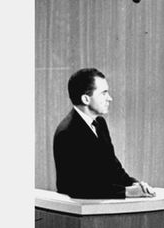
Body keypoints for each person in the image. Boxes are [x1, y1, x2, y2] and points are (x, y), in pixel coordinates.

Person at [53, 68, 156, 198]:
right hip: (81, 211)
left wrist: (135, 184)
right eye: (104, 93)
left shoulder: (100, 123)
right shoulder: (67, 132)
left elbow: (112, 167)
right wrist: (127, 192)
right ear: (86, 99)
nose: (110, 98)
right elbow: (78, 186)